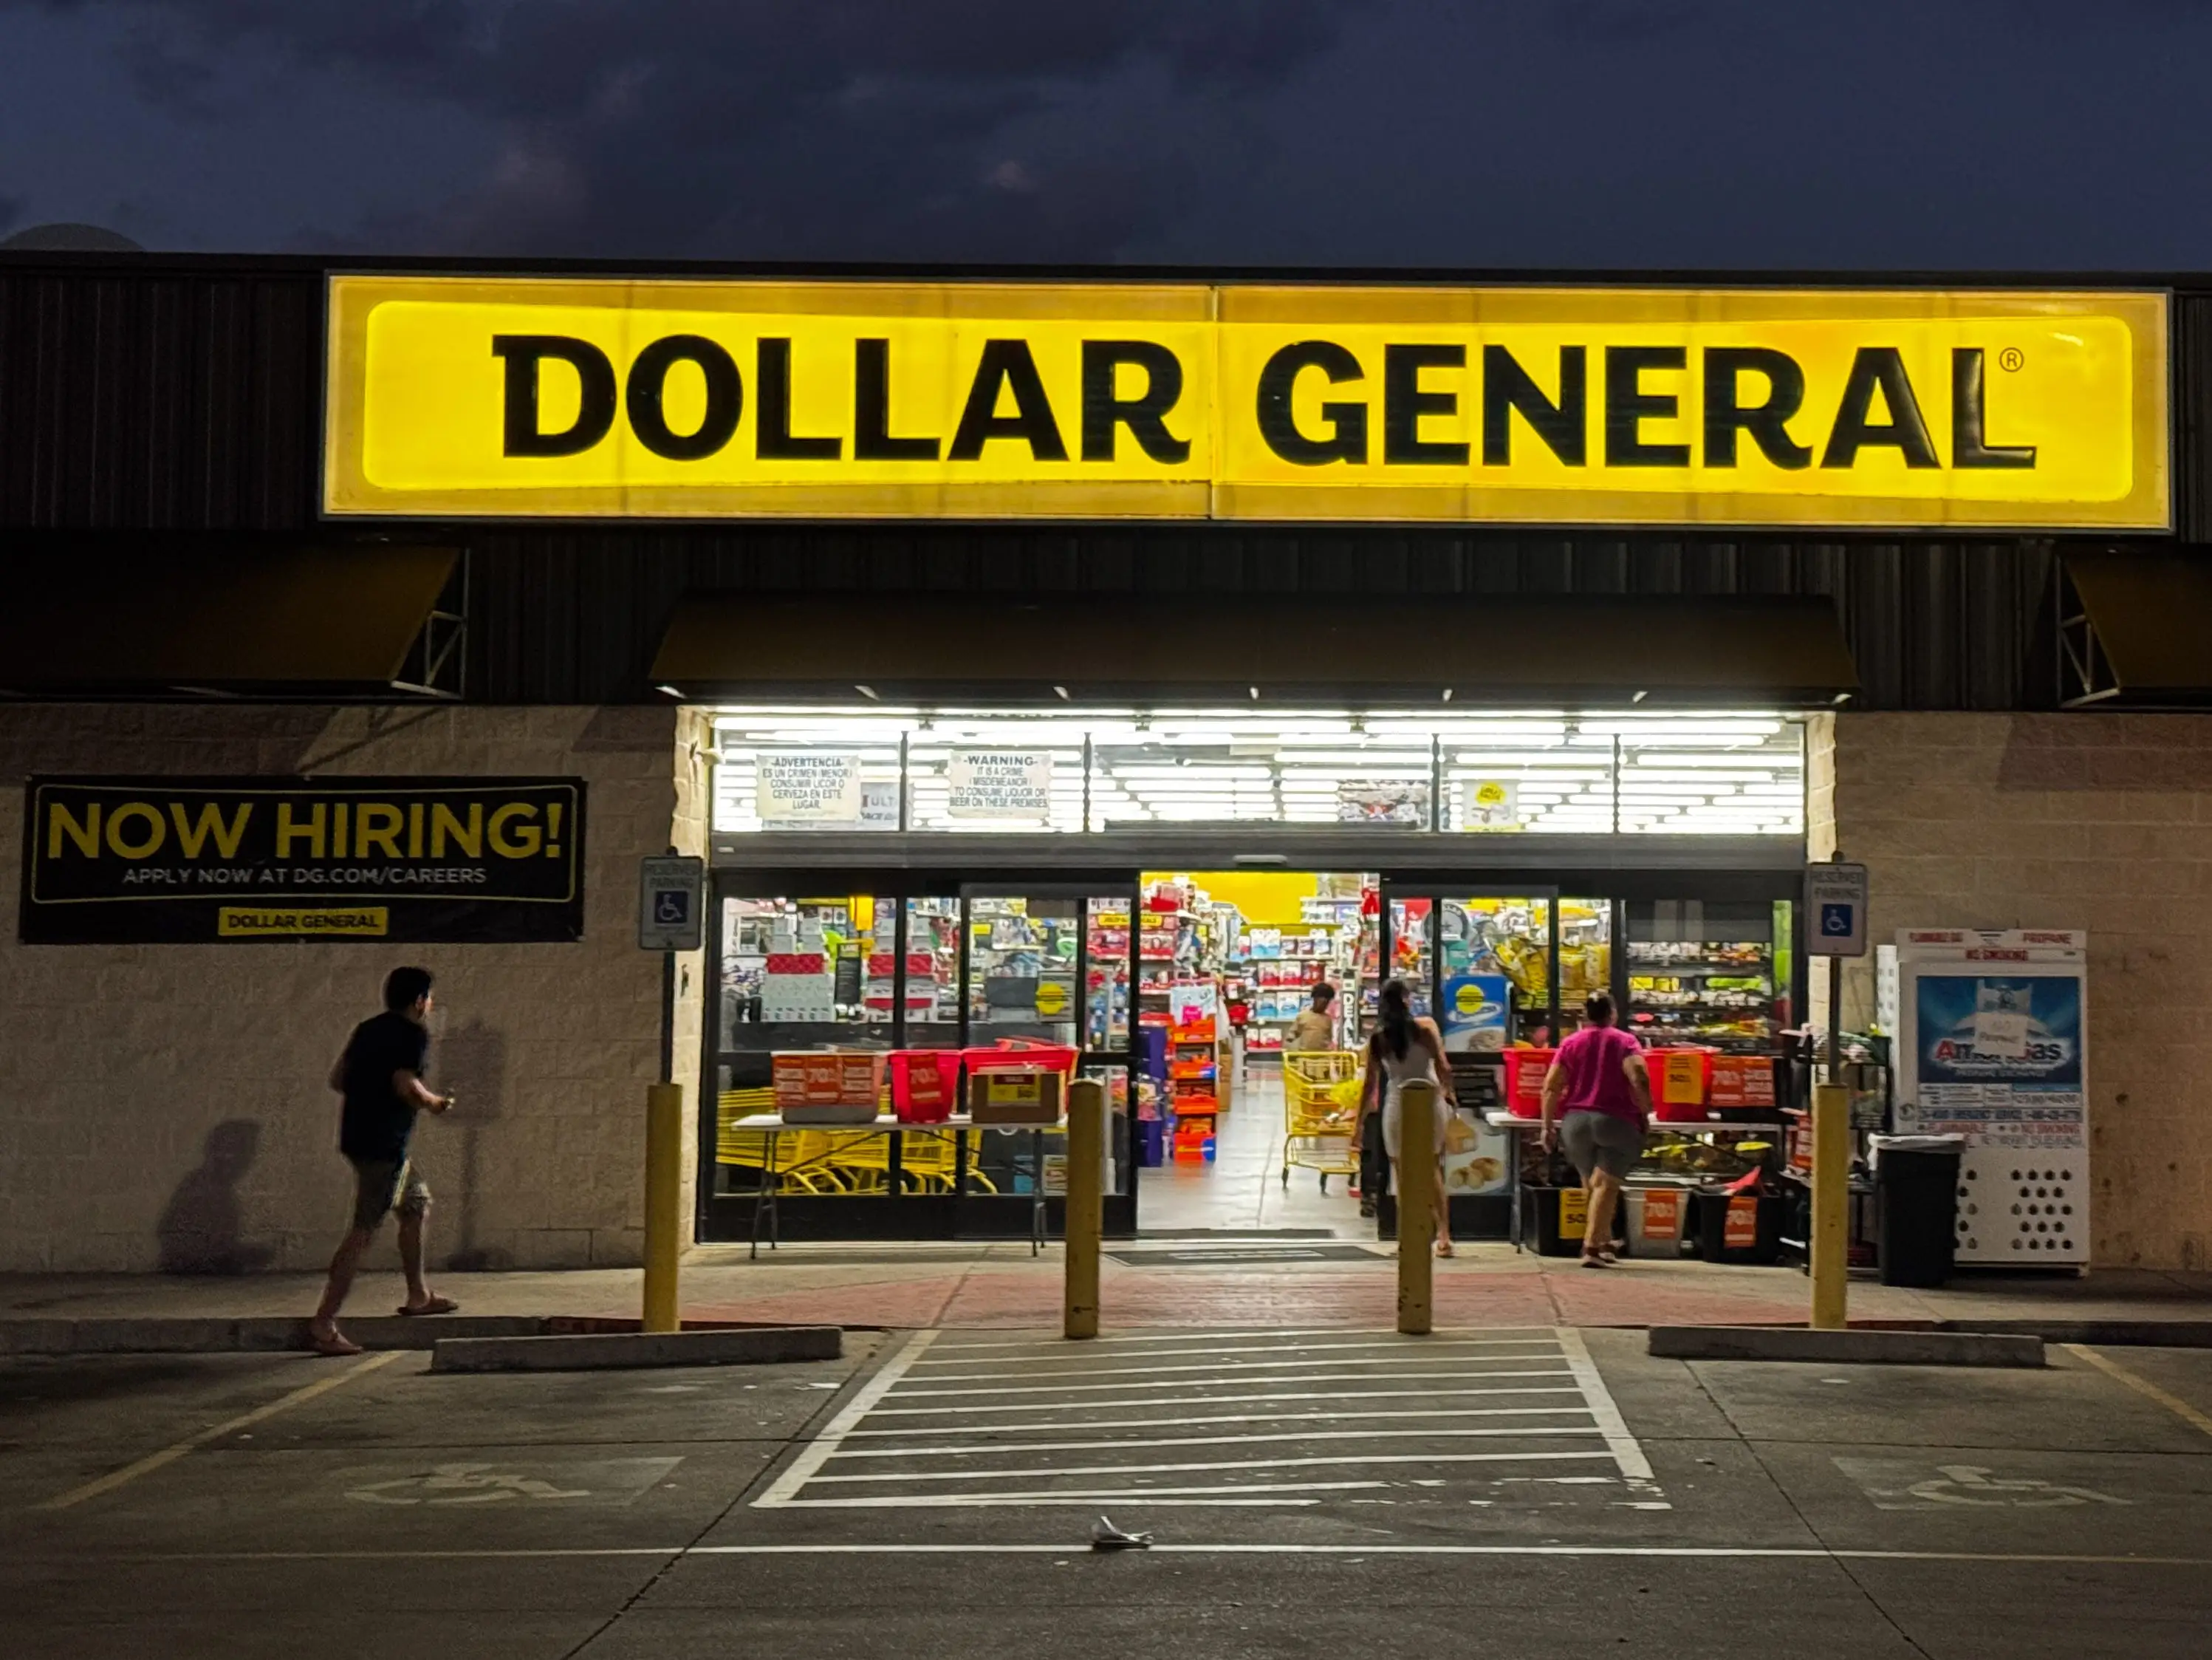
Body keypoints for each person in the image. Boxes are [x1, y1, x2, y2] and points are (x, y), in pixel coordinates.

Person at [308, 966, 458, 1356]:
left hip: (359, 1137)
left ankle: (418, 1296)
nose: (431, 1004)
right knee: (363, 1230)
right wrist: (435, 1103)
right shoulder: (412, 1034)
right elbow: (405, 1083)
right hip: (384, 1145)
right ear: (419, 1000)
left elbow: (338, 1078)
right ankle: (324, 1323)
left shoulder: (366, 1029)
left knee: (416, 1206)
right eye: (430, 997)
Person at [1538, 991, 1652, 1268]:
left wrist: (1547, 1126)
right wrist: (1646, 1109)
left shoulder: (1570, 1043)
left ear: (1586, 1016)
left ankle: (1604, 1242)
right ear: (1612, 1013)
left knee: (1592, 1182)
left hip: (1576, 1122)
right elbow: (1639, 1076)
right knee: (1606, 1184)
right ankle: (1590, 1247)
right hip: (1615, 1120)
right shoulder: (1625, 1041)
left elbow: (1551, 1086)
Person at [1355, 978, 1456, 1257]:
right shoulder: (1426, 1028)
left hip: (1397, 1105)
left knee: (1402, 1174)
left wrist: (1358, 1124)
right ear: (1406, 999)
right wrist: (1449, 1094)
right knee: (1431, 1167)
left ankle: (1409, 1238)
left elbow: (1369, 1085)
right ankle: (1444, 1236)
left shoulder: (1378, 1038)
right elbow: (1444, 1067)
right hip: (1429, 1100)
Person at [1287, 983, 1338, 1052]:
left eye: (1327, 1001)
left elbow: (1329, 1038)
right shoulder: (1302, 1016)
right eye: (1322, 1000)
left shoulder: (1328, 1019)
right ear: (1314, 998)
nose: (1324, 1004)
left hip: (1323, 1059)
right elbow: (1291, 1036)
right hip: (1304, 1058)